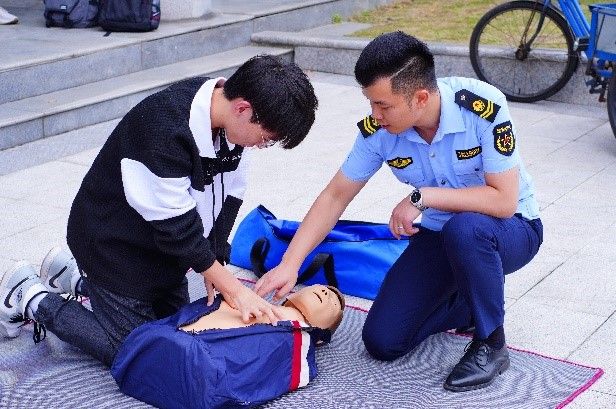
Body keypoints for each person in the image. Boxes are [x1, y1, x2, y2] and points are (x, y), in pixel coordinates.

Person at [254, 32, 543, 392]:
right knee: (383, 340)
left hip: (510, 229)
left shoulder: (481, 108)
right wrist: (290, 264)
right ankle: (470, 303)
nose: (375, 115)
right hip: (441, 235)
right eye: (370, 103)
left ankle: (491, 343)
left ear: (420, 98)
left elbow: (503, 201)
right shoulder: (379, 131)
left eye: (383, 106)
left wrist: (423, 197)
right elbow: (335, 196)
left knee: (466, 230)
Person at [0, 55, 319, 367]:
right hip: (111, 247)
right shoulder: (164, 128)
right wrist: (233, 288)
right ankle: (28, 295)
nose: (261, 146)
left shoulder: (231, 124)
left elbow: (230, 197)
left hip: (162, 251)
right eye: (265, 139)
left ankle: (71, 277)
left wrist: (216, 259)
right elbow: (176, 229)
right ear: (243, 109)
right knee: (137, 353)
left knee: (179, 332)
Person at [111, 284, 345, 409]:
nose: (326, 292)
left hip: (197, 369)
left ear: (322, 337)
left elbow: (259, 378)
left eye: (334, 303)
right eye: (320, 287)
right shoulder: (242, 296)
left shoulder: (298, 348)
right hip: (157, 340)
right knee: (142, 335)